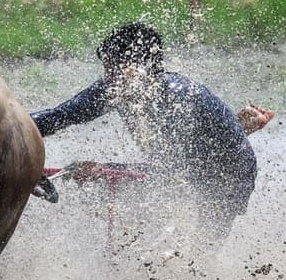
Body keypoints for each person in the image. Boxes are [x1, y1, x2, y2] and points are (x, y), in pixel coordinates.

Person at [32, 20, 258, 232]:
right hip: (193, 161)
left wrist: (104, 168)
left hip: (229, 175)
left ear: (139, 69)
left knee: (198, 245)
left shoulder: (177, 100)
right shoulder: (115, 87)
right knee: (142, 221)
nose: (108, 79)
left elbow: (172, 173)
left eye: (114, 70)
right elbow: (60, 116)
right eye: (106, 69)